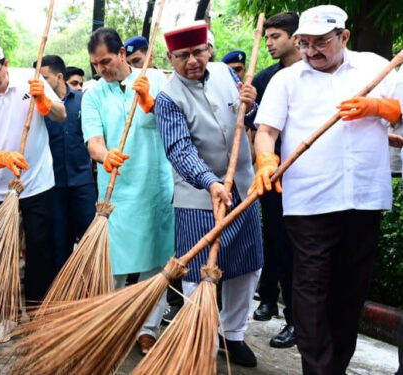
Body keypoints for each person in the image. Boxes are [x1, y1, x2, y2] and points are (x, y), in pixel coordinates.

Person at [252, 6, 402, 374]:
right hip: (309, 201)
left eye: (321, 42)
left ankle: (335, 366)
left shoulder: (375, 67)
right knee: (310, 289)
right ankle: (317, 369)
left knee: (350, 291)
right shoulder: (288, 80)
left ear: (344, 37)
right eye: (305, 43)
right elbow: (267, 132)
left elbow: (400, 112)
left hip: (365, 198)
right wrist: (266, 161)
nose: (311, 51)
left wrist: (381, 107)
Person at [154, 21, 263, 367]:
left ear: (209, 50)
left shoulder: (225, 74)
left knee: (247, 267)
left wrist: (252, 104)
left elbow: (247, 119)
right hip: (198, 197)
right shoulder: (167, 97)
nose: (192, 61)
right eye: (183, 55)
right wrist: (211, 182)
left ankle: (233, 335)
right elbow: (179, 150)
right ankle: (198, 335)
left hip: (242, 190)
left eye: (198, 52)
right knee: (198, 271)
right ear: (170, 57)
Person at [0, 39, 66, 342]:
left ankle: (34, 313)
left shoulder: (29, 81)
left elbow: (61, 115)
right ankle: (6, 315)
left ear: (4, 64)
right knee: (2, 252)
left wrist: (45, 103)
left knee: (40, 248)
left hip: (37, 181)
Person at [81, 28, 174, 355]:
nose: (101, 69)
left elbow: (174, 125)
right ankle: (110, 323)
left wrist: (150, 101)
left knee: (156, 261)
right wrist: (106, 156)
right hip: (116, 191)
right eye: (95, 64)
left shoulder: (156, 81)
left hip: (155, 186)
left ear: (122, 53)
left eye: (105, 61)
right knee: (112, 263)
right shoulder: (93, 93)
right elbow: (93, 141)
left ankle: (148, 329)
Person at [250, 11, 301, 349]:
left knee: (301, 250)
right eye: (266, 37)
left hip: (305, 175)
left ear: (296, 38)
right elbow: (255, 128)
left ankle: (298, 320)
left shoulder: (311, 75)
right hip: (272, 175)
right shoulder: (266, 78)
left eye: (275, 37)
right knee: (275, 241)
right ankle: (271, 300)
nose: (268, 43)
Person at [33, 55, 96, 272]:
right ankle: (61, 293)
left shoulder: (83, 100)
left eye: (44, 78)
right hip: (52, 184)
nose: (39, 83)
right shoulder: (37, 105)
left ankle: (91, 289)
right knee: (58, 242)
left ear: (59, 76)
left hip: (83, 182)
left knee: (90, 237)